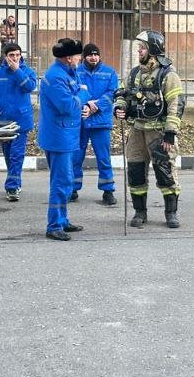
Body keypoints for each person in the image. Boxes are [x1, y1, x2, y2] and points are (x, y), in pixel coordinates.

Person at [113, 29, 185, 228]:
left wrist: (170, 132)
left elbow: (175, 104)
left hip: (159, 132)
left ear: (153, 49)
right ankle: (139, 212)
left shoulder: (168, 74)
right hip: (137, 130)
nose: (139, 51)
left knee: (165, 171)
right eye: (138, 48)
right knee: (135, 170)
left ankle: (171, 213)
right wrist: (120, 107)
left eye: (142, 48)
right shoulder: (135, 73)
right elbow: (123, 94)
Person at [0, 41, 37, 201]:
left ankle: (12, 187)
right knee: (8, 155)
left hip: (21, 120)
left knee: (17, 155)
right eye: (12, 55)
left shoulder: (27, 72)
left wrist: (17, 70)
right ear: (5, 56)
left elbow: (30, 87)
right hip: (2, 120)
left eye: (18, 55)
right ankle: (14, 180)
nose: (15, 58)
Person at [38, 38, 85, 241]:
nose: (80, 59)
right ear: (69, 58)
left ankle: (63, 220)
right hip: (59, 136)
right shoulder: (56, 76)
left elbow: (80, 93)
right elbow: (67, 105)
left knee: (65, 180)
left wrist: (80, 97)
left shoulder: (68, 72)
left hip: (67, 134)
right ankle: (54, 225)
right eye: (77, 56)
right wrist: (82, 99)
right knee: (61, 181)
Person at [71, 43, 119, 206]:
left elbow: (112, 93)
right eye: (90, 55)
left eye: (96, 54)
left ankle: (108, 190)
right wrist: (85, 105)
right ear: (84, 56)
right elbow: (74, 91)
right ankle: (73, 189)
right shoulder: (77, 71)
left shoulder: (109, 72)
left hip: (101, 122)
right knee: (76, 157)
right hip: (81, 121)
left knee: (104, 158)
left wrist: (95, 106)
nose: (93, 57)